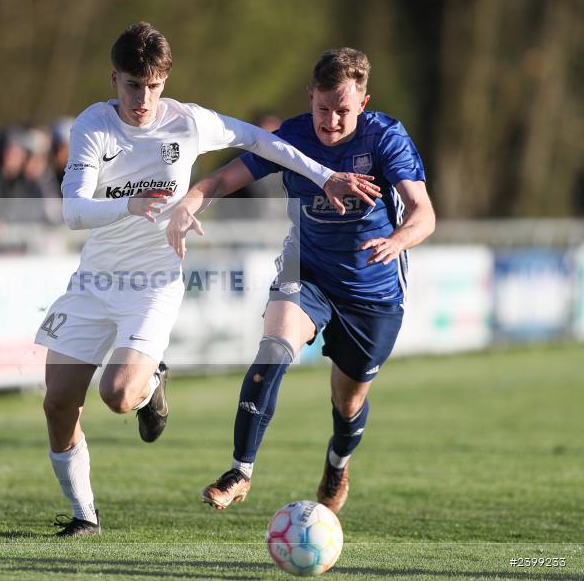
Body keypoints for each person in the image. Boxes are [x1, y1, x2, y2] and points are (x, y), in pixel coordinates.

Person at [36, 24, 374, 537]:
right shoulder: (93, 127)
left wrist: (322, 175)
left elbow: (266, 141)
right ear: (114, 80)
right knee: (58, 404)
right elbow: (73, 211)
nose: (142, 99)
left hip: (153, 281)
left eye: (152, 86)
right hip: (95, 279)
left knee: (119, 395)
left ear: (165, 79)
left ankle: (150, 387)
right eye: (132, 85)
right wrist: (129, 204)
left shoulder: (188, 122)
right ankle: (85, 515)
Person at [166, 47, 436, 515]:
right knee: (274, 346)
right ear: (309, 96)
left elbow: (424, 214)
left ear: (363, 103)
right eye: (323, 109)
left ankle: (338, 461)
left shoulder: (385, 138)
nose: (331, 121)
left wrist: (397, 242)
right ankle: (240, 470)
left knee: (347, 402)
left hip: (372, 288)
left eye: (343, 111)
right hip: (307, 269)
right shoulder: (290, 137)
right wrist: (189, 201)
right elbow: (220, 181)